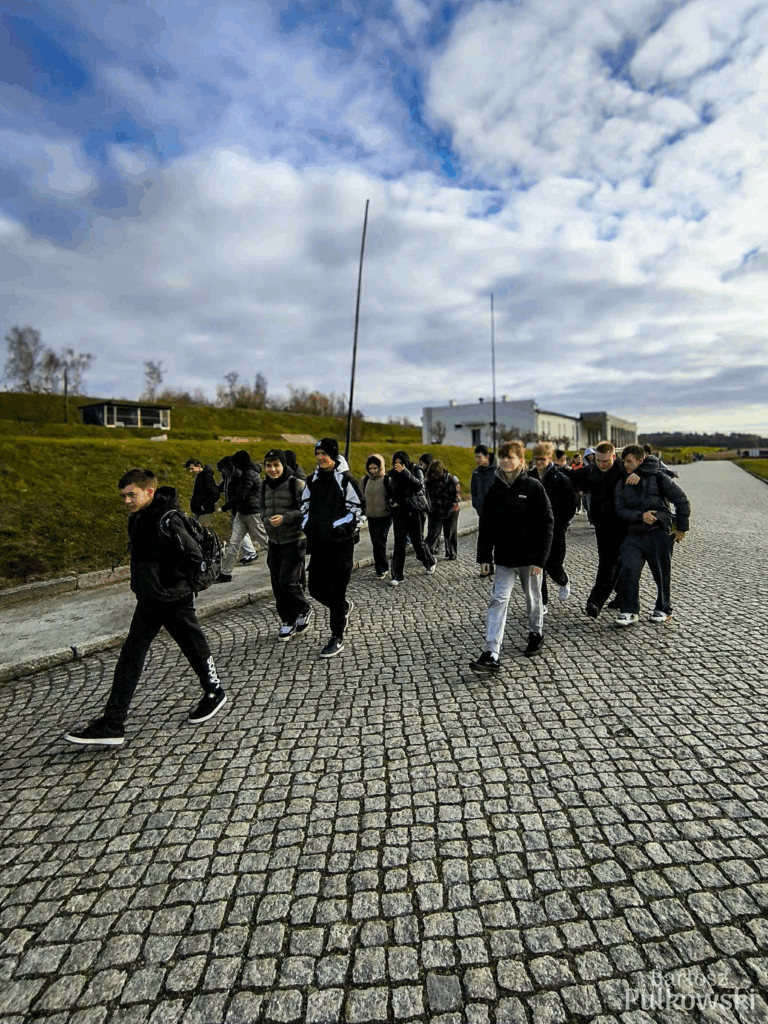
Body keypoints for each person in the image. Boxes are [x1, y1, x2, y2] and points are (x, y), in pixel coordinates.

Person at [64, 469, 226, 746]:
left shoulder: (169, 519)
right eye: (124, 496)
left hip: (173, 599)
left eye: (132, 495)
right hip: (149, 599)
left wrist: (177, 587)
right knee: (131, 655)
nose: (127, 501)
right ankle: (113, 723)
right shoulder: (138, 517)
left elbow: (195, 557)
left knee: (193, 645)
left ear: (149, 491)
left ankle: (214, 692)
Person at [470, 441, 553, 671]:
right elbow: (486, 525)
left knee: (533, 598)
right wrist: (484, 557)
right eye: (503, 457)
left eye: (511, 457)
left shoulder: (533, 487)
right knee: (498, 601)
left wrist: (540, 559)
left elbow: (547, 523)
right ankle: (491, 652)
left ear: (521, 460)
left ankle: (536, 633)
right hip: (504, 558)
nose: (506, 461)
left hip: (530, 558)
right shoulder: (494, 490)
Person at [300, 438, 365, 657]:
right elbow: (304, 506)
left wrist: (338, 527)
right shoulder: (312, 481)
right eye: (317, 454)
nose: (320, 458)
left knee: (337, 592)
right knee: (315, 589)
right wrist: (307, 524)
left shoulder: (346, 481)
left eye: (324, 454)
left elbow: (358, 511)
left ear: (334, 456)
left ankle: (337, 636)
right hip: (319, 545)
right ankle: (343, 607)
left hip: (341, 545)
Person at [614, 445, 691, 626]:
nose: (625, 465)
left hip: (659, 532)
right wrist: (640, 516)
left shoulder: (659, 478)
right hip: (633, 534)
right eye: (624, 461)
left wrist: (681, 528)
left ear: (640, 461)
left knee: (661, 573)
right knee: (629, 570)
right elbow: (620, 510)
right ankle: (629, 611)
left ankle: (663, 609)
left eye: (629, 461)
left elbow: (681, 500)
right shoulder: (621, 483)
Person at [565, 441, 628, 618]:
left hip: (620, 525)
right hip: (601, 524)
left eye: (606, 461)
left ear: (614, 457)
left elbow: (649, 468)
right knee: (614, 562)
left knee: (608, 563)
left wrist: (638, 475)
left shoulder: (623, 470)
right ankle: (622, 595)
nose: (601, 464)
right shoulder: (592, 470)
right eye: (598, 460)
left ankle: (595, 601)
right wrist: (554, 468)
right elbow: (572, 476)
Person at [259, 449, 311, 641]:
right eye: (269, 465)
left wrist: (285, 518)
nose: (272, 469)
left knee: (287, 581)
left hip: (294, 540)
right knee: (277, 584)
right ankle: (287, 621)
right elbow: (261, 508)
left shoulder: (296, 484)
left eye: (276, 465)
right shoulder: (263, 486)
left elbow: (306, 509)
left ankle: (304, 609)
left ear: (284, 465)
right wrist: (265, 519)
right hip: (274, 541)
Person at [529, 443, 576, 608]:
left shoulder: (560, 478)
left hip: (555, 529)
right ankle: (542, 603)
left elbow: (571, 504)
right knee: (537, 567)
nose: (539, 462)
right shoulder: (528, 477)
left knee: (554, 565)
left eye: (542, 459)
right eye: (536, 459)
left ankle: (563, 581)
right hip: (534, 529)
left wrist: (561, 522)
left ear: (549, 458)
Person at [215, 450, 267, 582]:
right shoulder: (247, 473)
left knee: (265, 541)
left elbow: (242, 495)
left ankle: (283, 562)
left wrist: (224, 507)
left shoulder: (248, 475)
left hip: (252, 513)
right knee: (233, 543)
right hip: (242, 512)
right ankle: (225, 573)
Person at [386, 450, 436, 586]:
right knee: (399, 544)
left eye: (401, 463)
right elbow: (390, 491)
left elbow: (419, 485)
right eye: (396, 463)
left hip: (414, 511)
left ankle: (429, 561)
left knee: (417, 541)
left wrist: (405, 472)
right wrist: (391, 501)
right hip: (399, 511)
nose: (398, 465)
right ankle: (397, 575)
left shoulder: (415, 470)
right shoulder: (392, 475)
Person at [217, 456, 257, 565]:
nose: (222, 471)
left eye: (223, 469)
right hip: (235, 506)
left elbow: (240, 494)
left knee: (239, 531)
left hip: (239, 506)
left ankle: (251, 552)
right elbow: (223, 487)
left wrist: (226, 506)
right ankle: (250, 552)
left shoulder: (238, 476)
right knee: (240, 531)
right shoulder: (228, 477)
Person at [361, 454, 392, 579]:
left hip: (385, 515)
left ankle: (382, 568)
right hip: (371, 516)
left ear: (380, 467)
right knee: (375, 542)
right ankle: (379, 568)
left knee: (380, 541)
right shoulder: (365, 480)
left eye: (375, 468)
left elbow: (392, 495)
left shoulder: (386, 479)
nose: (373, 471)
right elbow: (361, 497)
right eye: (371, 468)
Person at [425, 459, 460, 560]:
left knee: (450, 533)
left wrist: (446, 507)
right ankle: (426, 552)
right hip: (435, 510)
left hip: (451, 510)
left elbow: (455, 498)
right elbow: (427, 496)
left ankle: (452, 553)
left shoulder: (451, 480)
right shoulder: (429, 481)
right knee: (433, 533)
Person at [471, 445, 496, 576]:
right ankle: (486, 567)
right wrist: (477, 505)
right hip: (483, 513)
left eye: (479, 457)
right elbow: (473, 492)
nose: (477, 460)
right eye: (476, 457)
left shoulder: (497, 471)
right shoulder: (476, 473)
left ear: (486, 457)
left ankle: (504, 567)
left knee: (499, 541)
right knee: (484, 542)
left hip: (497, 513)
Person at [185, 458, 220, 526]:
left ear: (199, 466)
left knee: (201, 530)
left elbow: (215, 494)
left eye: (192, 469)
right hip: (198, 511)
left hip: (205, 512)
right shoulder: (200, 476)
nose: (191, 471)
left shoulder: (207, 476)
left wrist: (204, 505)